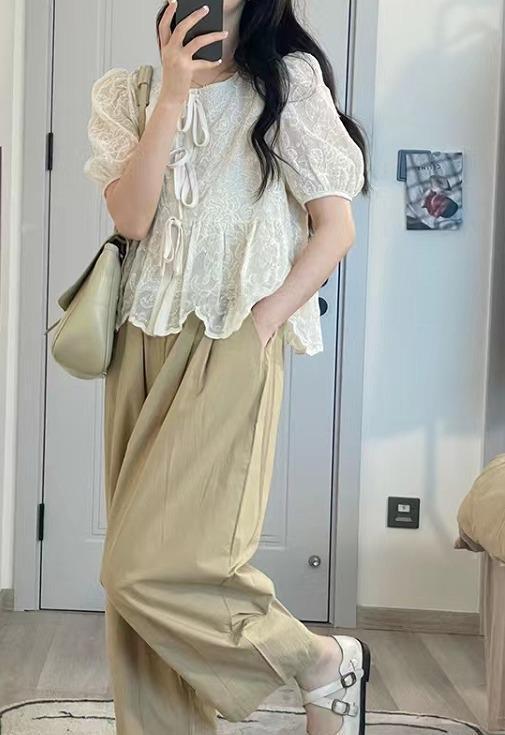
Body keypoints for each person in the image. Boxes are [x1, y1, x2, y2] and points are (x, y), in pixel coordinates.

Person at [83, 1, 370, 733]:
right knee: (133, 580)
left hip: (231, 335)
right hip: (138, 340)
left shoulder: (286, 83)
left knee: (157, 564)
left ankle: (316, 660)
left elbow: (335, 227)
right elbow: (132, 219)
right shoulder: (130, 93)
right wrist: (172, 94)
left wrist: (263, 321)